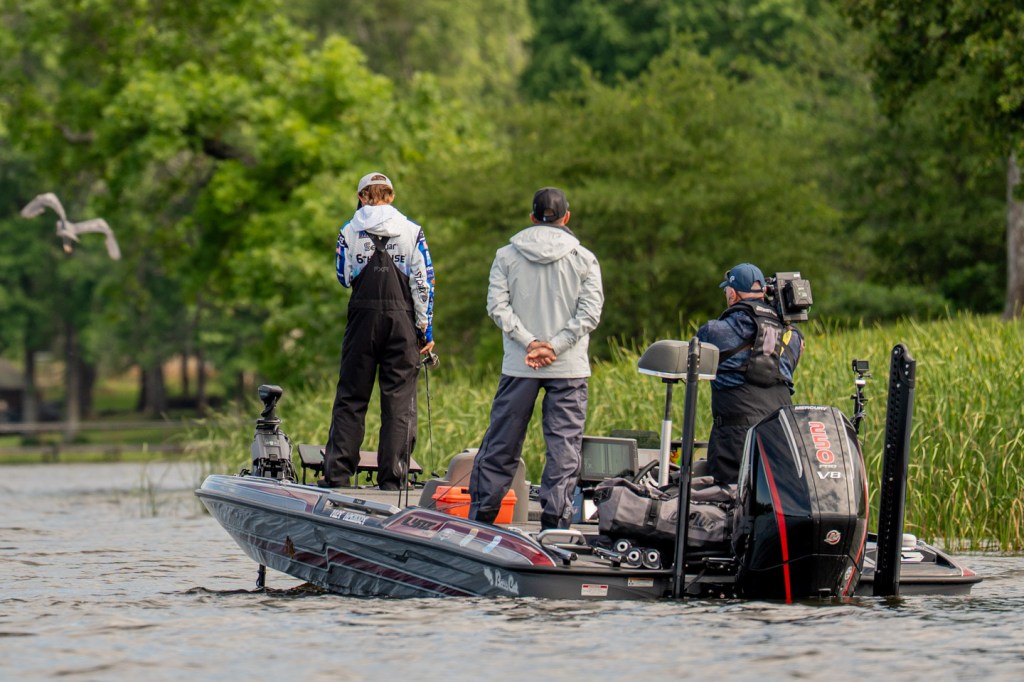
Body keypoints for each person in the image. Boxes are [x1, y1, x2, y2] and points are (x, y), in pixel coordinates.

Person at [469, 187, 604, 529]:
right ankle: (555, 523)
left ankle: (481, 517)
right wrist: (555, 346)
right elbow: (590, 313)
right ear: (566, 217)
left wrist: (529, 342)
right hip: (569, 367)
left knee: (502, 442)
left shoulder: (506, 255)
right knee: (563, 447)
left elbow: (497, 306)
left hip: (520, 364)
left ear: (532, 217)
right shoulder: (585, 258)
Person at [320, 172, 435, 490]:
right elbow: (424, 283)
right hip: (402, 323)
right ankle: (393, 480)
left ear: (361, 197)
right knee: (399, 402)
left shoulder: (348, 231)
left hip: (362, 322)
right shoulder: (412, 231)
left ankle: (337, 475)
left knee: (351, 397)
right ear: (392, 196)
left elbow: (343, 276)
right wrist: (425, 330)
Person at [696, 263, 803, 485]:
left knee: (728, 501)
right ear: (764, 292)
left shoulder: (714, 332)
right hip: (780, 437)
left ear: (732, 294)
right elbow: (794, 347)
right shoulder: (793, 338)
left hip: (733, 441)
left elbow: (692, 364)